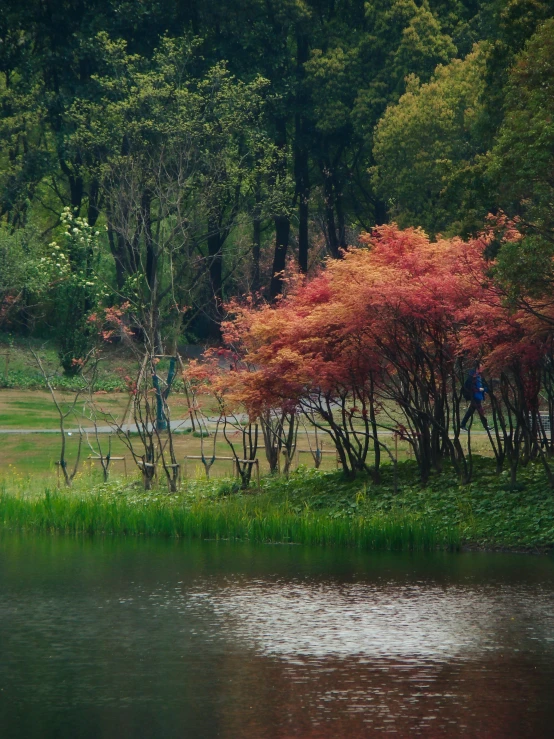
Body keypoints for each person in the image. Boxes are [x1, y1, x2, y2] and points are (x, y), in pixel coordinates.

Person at [461, 363, 492, 431]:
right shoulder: (472, 376)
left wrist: (485, 390)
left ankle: (462, 425)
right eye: (481, 367)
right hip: (474, 396)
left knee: (470, 412)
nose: (483, 368)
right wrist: (478, 389)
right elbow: (469, 386)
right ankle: (486, 426)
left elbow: (484, 385)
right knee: (480, 411)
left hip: (479, 396)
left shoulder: (480, 376)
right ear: (477, 368)